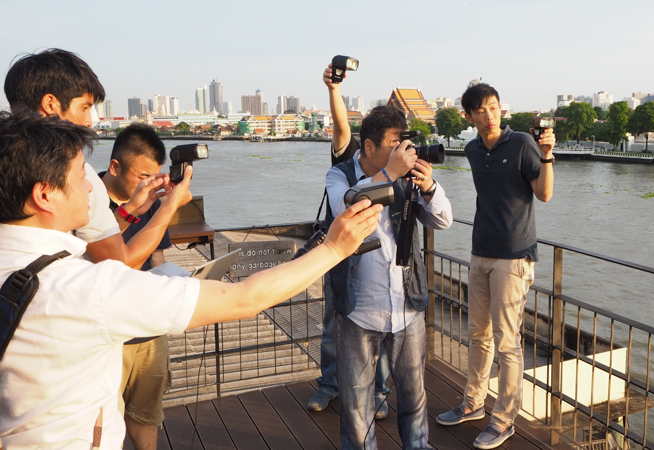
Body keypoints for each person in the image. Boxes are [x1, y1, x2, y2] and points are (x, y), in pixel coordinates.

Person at [0, 111, 382, 448]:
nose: (90, 187)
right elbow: (244, 299)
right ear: (44, 194)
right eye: (80, 175)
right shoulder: (83, 289)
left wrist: (146, 208)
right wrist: (334, 248)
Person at [326, 105, 453, 449]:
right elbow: (345, 208)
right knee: (356, 406)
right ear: (369, 147)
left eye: (405, 143)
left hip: (405, 305)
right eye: (395, 143)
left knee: (414, 398)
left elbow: (443, 220)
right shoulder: (339, 175)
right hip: (357, 309)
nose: (404, 152)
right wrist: (388, 176)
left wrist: (428, 187)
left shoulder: (406, 177)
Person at [436, 83, 554, 449]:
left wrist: (548, 155)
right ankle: (473, 403)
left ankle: (503, 421)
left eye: (494, 108)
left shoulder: (521, 143)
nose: (489, 115)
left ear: (501, 110)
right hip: (480, 252)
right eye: (481, 110)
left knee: (507, 344)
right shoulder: (472, 149)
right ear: (468, 117)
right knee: (477, 336)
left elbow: (544, 193)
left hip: (514, 256)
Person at [3, 48, 171, 268]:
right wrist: (171, 204)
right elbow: (120, 263)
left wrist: (128, 211)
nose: (89, 121)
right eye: (84, 107)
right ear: (51, 105)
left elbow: (89, 239)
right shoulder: (73, 174)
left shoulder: (7, 161)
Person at [306, 62, 391, 418]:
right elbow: (341, 126)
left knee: (382, 327)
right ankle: (330, 384)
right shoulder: (346, 160)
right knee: (333, 323)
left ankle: (380, 390)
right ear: (368, 145)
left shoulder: (395, 161)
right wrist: (334, 90)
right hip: (341, 253)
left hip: (379, 256)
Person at [99, 124, 173, 449]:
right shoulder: (85, 202)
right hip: (106, 334)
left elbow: (155, 258)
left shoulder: (153, 203)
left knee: (147, 414)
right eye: (142, 176)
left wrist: (178, 284)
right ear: (115, 166)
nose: (148, 186)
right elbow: (108, 262)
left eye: (154, 178)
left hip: (148, 328)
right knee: (102, 423)